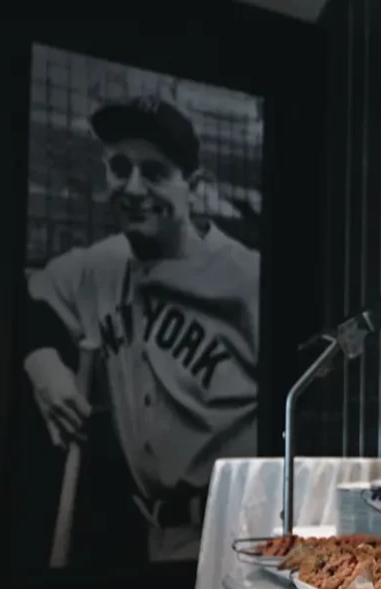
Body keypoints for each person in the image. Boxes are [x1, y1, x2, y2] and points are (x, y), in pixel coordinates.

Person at [22, 96, 259, 562]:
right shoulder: (98, 267)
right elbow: (31, 297)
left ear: (193, 186)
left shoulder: (247, 278)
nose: (133, 187)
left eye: (154, 172)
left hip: (236, 531)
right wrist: (43, 364)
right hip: (152, 534)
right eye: (120, 167)